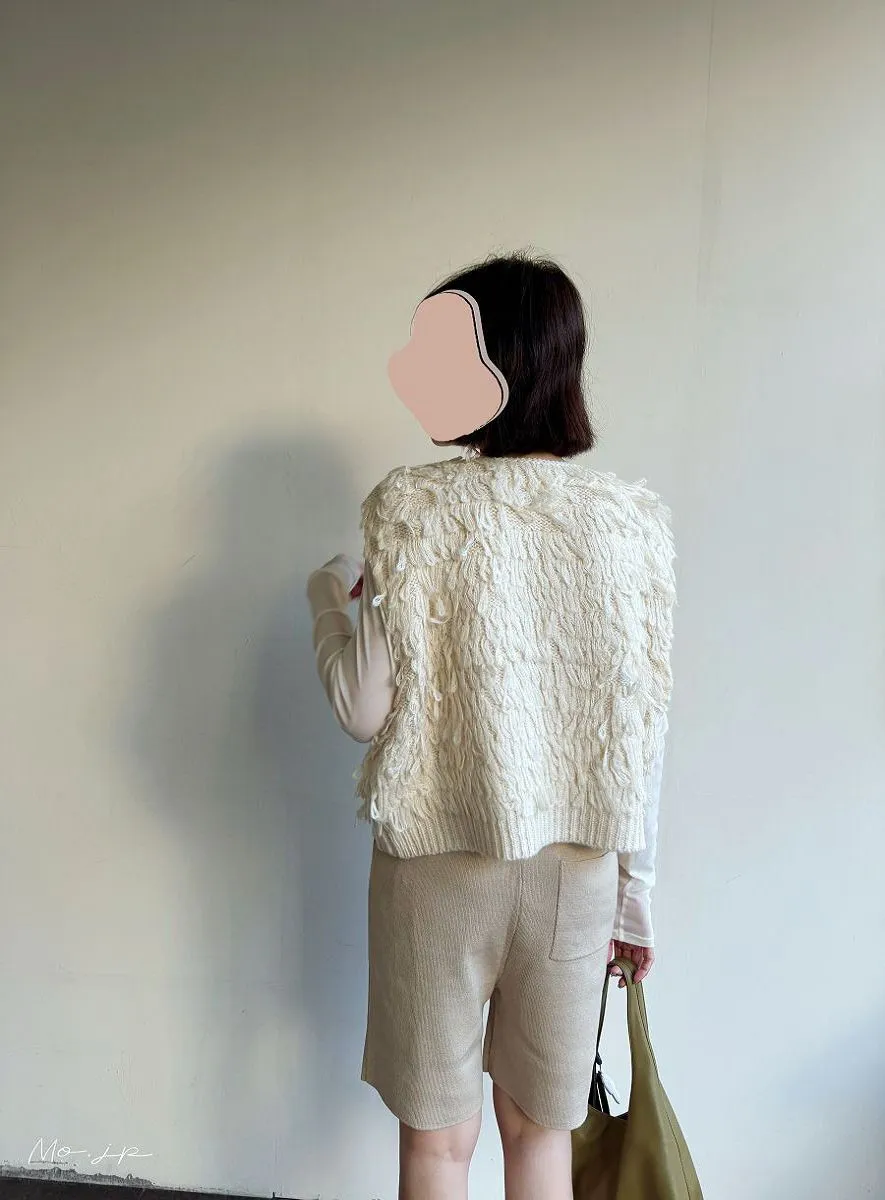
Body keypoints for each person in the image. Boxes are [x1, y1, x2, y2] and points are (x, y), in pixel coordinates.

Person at [305, 252, 676, 1200]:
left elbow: (360, 711)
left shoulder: (410, 509)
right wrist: (633, 895)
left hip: (437, 868)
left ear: (495, 367)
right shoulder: (630, 524)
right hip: (575, 876)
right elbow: (641, 733)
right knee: (539, 1134)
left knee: (439, 1144)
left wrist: (326, 597)